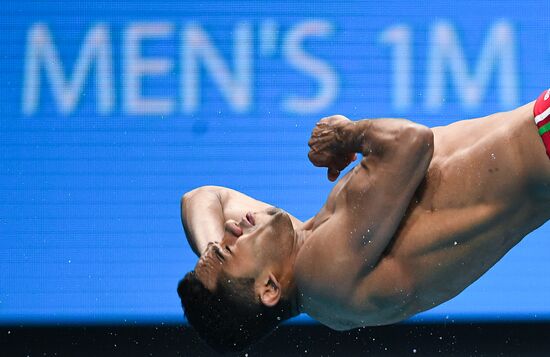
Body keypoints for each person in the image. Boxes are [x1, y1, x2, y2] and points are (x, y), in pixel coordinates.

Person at [177, 89, 550, 353]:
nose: (229, 229)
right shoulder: (322, 271)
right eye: (228, 249)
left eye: (218, 240)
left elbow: (200, 197)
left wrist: (210, 252)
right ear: (269, 288)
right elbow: (410, 142)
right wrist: (344, 135)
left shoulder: (307, 256)